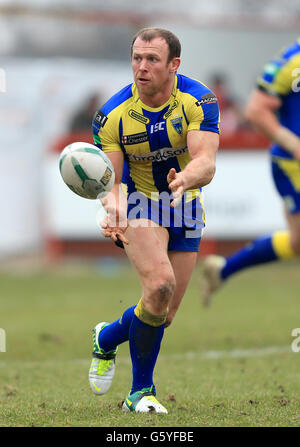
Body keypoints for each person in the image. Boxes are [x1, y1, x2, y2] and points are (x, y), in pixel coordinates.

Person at [89, 27, 220, 413]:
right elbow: (111, 182)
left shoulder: (199, 99)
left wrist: (185, 178)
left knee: (162, 314)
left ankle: (107, 337)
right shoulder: (111, 115)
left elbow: (206, 162)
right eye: (136, 58)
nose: (141, 67)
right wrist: (112, 209)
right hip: (139, 203)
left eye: (152, 60)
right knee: (160, 284)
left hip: (185, 202)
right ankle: (139, 394)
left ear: (173, 65)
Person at [201, 38, 300, 306]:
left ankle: (223, 270)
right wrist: (295, 145)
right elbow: (255, 110)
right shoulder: (292, 61)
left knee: (296, 243)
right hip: (294, 166)